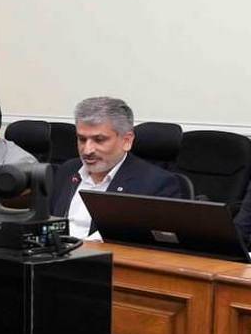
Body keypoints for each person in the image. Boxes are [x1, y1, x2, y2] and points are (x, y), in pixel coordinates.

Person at [50, 96, 182, 239]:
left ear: (127, 141)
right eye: (82, 139)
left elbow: (158, 244)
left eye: (99, 140)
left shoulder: (156, 184)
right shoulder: (68, 170)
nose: (87, 150)